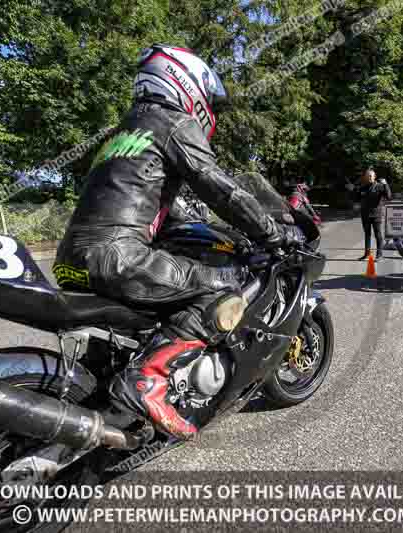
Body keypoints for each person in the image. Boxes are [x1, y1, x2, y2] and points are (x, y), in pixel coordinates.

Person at [53, 44, 300, 441]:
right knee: (225, 286)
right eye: (210, 100)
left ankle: (120, 375)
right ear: (185, 83)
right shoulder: (171, 122)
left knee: (174, 281)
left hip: (74, 258)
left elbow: (140, 197)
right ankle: (147, 377)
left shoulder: (123, 132)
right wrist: (271, 232)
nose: (210, 110)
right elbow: (220, 189)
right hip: (117, 255)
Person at [349, 168, 392, 261]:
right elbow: (356, 199)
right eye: (367, 176)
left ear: (374, 177)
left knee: (378, 234)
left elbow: (388, 196)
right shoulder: (363, 187)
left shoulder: (380, 186)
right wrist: (353, 190)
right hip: (365, 214)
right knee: (367, 234)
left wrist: (385, 184)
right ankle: (367, 254)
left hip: (376, 214)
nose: (368, 177)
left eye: (370, 176)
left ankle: (379, 254)